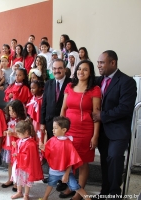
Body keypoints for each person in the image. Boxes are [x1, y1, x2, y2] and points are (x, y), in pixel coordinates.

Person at [92, 50, 137, 199]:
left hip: (118, 131)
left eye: (102, 62)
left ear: (113, 62)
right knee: (105, 161)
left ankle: (114, 193)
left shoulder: (127, 81)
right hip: (102, 131)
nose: (99, 65)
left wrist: (102, 115)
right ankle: (104, 192)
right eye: (98, 62)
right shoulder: (99, 80)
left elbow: (125, 108)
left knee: (114, 157)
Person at [60, 60, 101, 200]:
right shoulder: (69, 86)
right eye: (79, 69)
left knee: (82, 163)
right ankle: (71, 187)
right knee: (69, 162)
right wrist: (60, 129)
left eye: (85, 70)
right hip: (69, 130)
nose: (81, 72)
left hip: (85, 132)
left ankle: (78, 193)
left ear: (90, 73)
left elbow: (96, 115)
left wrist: (95, 136)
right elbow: (64, 109)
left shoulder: (94, 89)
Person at [40, 116, 91, 200]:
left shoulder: (68, 144)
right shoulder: (52, 140)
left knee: (75, 186)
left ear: (64, 130)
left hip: (66, 171)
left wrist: (66, 174)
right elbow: (49, 153)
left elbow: (72, 160)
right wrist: (44, 149)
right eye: (53, 128)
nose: (53, 130)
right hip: (54, 170)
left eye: (55, 128)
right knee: (50, 184)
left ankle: (88, 198)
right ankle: (45, 197)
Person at [10, 120, 44, 200]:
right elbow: (18, 150)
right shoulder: (20, 140)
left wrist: (18, 155)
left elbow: (29, 157)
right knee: (18, 179)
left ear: (26, 132)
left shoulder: (31, 144)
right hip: (19, 165)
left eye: (19, 133)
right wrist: (15, 147)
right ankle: (19, 192)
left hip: (27, 167)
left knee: (26, 180)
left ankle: (26, 195)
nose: (17, 135)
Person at [41, 59, 72, 139]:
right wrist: (42, 123)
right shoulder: (48, 83)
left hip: (65, 124)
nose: (56, 71)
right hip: (50, 124)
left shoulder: (71, 83)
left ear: (65, 69)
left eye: (60, 68)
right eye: (54, 68)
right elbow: (44, 104)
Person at [2, 100, 26, 191]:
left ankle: (17, 182)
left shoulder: (22, 122)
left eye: (13, 111)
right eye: (10, 111)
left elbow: (23, 135)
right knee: (10, 164)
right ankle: (10, 179)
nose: (11, 113)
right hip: (9, 145)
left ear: (19, 111)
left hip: (17, 146)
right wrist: (5, 133)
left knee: (17, 165)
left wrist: (13, 134)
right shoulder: (8, 119)